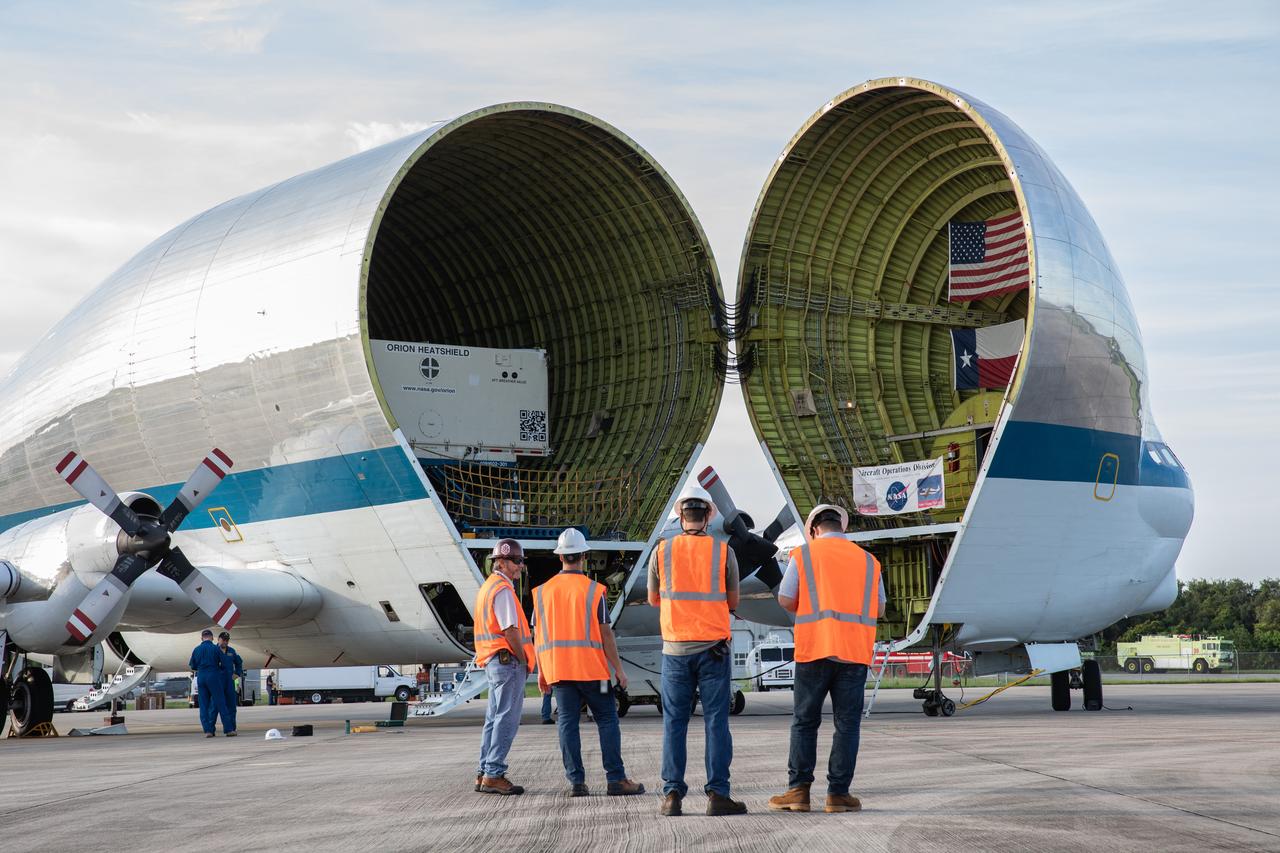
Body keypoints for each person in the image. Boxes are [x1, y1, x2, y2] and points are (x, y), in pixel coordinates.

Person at [768, 504, 884, 814]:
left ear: (814, 529)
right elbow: (881, 608)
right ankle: (838, 795)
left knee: (805, 722)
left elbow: (786, 598)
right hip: (854, 653)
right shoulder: (869, 562)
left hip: (814, 650)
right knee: (847, 726)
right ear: (841, 527)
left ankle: (798, 792)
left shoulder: (803, 556)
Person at [647, 484, 746, 816]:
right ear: (708, 517)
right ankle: (718, 795)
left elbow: (653, 599)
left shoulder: (661, 552)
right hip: (714, 649)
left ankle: (672, 796)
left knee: (674, 722)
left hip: (675, 650)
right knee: (716, 721)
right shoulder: (724, 552)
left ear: (680, 515)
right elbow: (733, 601)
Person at [535, 528, 646, 798]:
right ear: (584, 555)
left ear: (560, 556)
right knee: (607, 719)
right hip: (595, 673)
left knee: (567, 724)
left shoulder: (541, 593)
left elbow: (537, 635)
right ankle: (616, 780)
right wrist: (618, 670)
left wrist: (542, 672)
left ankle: (576, 783)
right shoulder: (595, 591)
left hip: (559, 673)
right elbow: (605, 633)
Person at [473, 538, 534, 795]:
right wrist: (523, 658)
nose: (521, 566)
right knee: (507, 719)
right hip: (507, 661)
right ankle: (494, 773)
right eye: (518, 561)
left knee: (494, 719)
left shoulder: (488, 587)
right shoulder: (503, 590)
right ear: (503, 562)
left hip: (494, 661)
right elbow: (510, 631)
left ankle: (484, 771)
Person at [188, 628, 226, 738]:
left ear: (201, 638)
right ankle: (228, 729)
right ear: (212, 637)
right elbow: (223, 663)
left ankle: (208, 730)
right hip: (213, 675)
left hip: (201, 676)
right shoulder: (216, 648)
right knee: (220, 702)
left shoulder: (196, 649)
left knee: (203, 705)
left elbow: (193, 666)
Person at [216, 630, 243, 736]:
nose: (225, 642)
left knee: (231, 706)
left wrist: (238, 673)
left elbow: (239, 662)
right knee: (214, 707)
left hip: (229, 681)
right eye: (223, 640)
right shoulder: (214, 650)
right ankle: (210, 730)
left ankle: (231, 728)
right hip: (217, 682)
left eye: (227, 640)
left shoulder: (231, 651)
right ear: (218, 640)